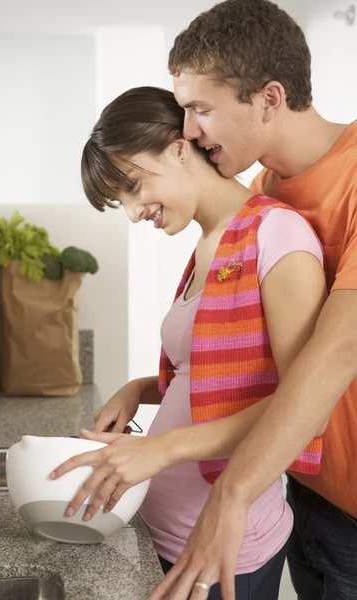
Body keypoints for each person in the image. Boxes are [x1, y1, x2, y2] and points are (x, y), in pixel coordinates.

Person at [49, 85, 328, 600]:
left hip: (224, 547)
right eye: (121, 202)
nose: (133, 213)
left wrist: (159, 448)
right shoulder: (208, 243)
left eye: (134, 186)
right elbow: (214, 370)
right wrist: (140, 387)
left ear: (179, 147)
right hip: (165, 534)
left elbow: (304, 405)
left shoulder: (278, 235)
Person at [141, 0, 356, 599]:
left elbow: (338, 351)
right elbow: (241, 353)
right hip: (309, 494)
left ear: (268, 98)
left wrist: (231, 494)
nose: (186, 131)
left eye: (200, 109)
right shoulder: (263, 194)